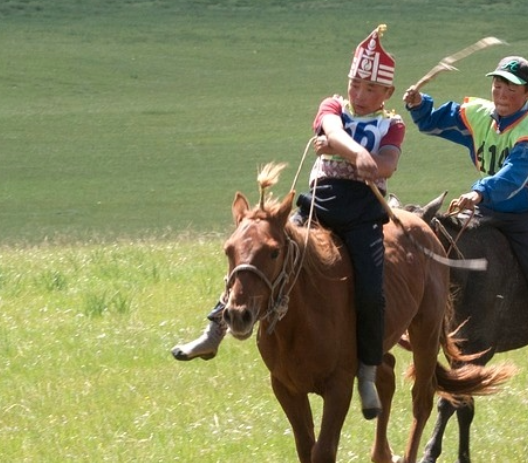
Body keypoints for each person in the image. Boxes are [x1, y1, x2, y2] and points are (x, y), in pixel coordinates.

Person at [172, 25, 404, 420]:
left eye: (369, 89)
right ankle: (215, 331)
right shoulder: (332, 106)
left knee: (371, 291)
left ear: (386, 95)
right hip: (318, 206)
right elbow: (330, 130)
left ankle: (367, 371)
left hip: (364, 214)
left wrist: (356, 156)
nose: (360, 95)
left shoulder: (392, 125)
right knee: (256, 254)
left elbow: (387, 165)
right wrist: (352, 152)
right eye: (355, 85)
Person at [402, 55, 528, 371]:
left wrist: (479, 191)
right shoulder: (479, 115)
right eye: (497, 84)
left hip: (518, 220)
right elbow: (437, 120)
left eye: (511, 88)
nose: (502, 93)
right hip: (481, 213)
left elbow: (514, 175)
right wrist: (418, 104)